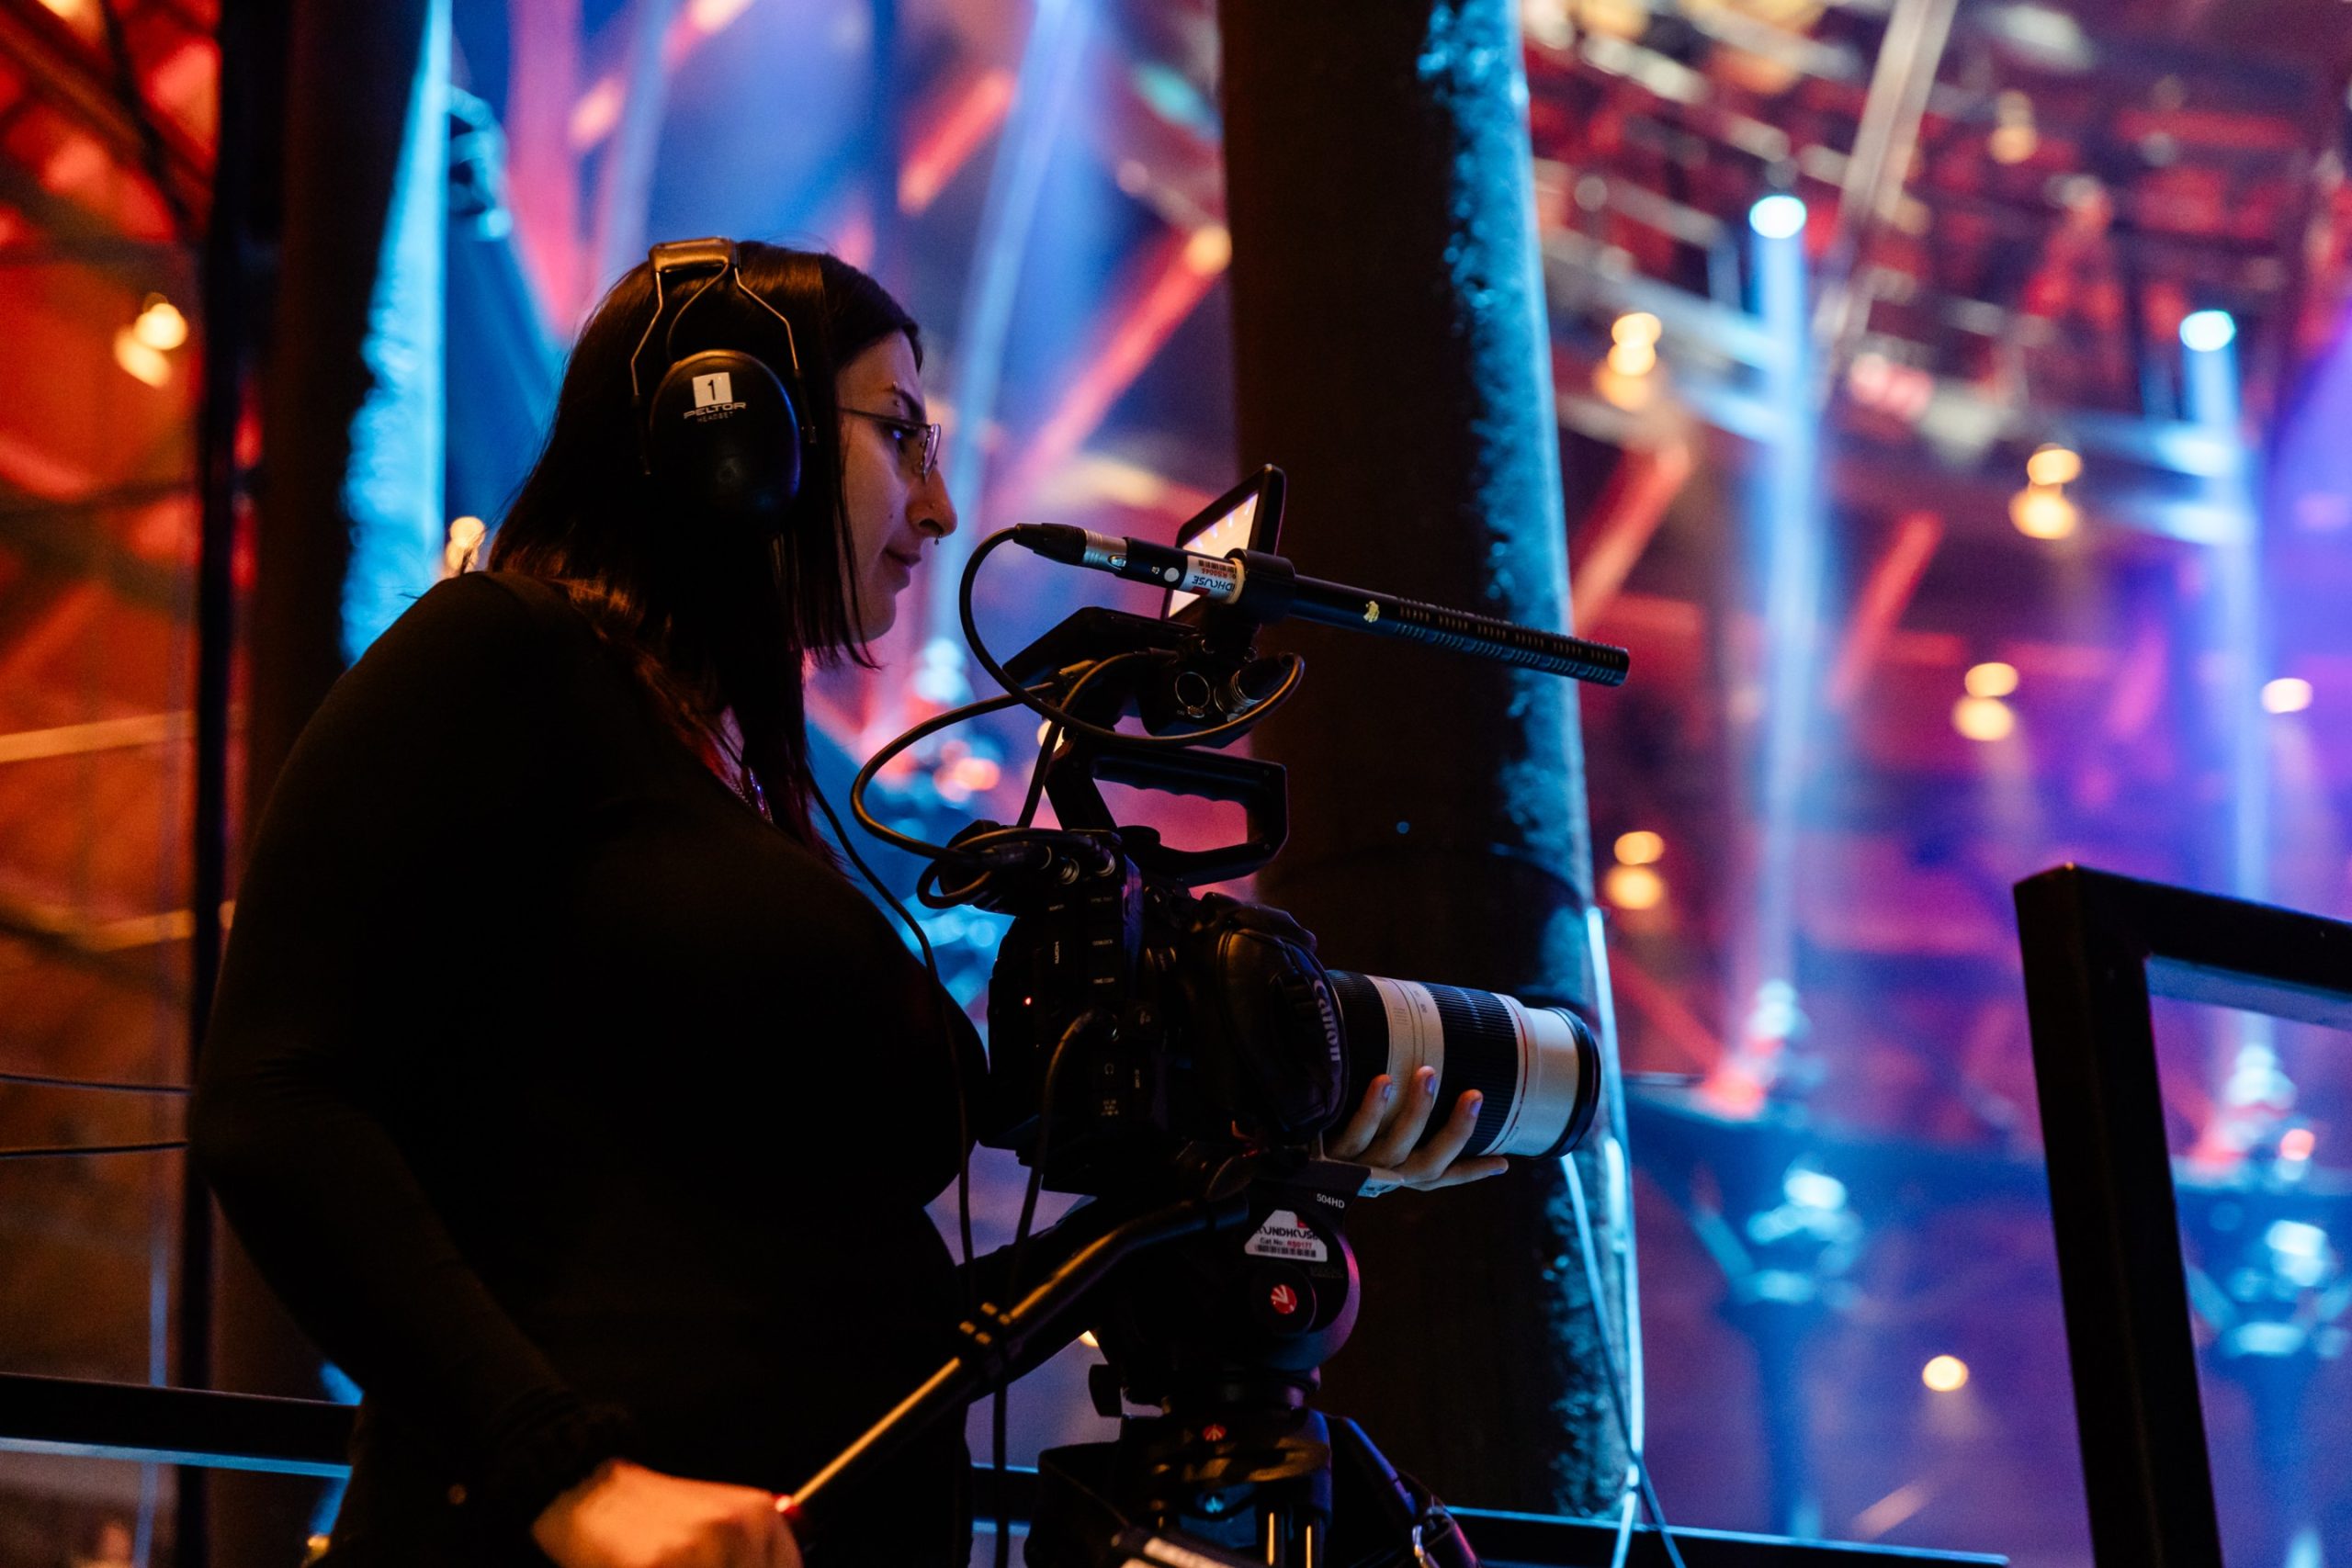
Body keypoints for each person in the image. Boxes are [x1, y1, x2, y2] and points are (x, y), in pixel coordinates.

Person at [191, 240, 1505, 1568]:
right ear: (737, 438)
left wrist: (1263, 1184)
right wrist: (568, 1479)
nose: (940, 508)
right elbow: (278, 1098)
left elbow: (846, 1312)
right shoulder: (505, 655)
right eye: (903, 433)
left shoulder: (737, 790)